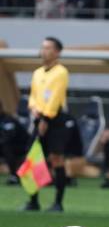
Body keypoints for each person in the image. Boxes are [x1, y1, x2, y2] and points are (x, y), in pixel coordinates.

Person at [22, 36, 71, 212]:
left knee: (57, 158)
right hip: (38, 118)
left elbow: (56, 98)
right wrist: (34, 109)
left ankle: (58, 202)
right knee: (33, 158)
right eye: (43, 47)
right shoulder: (37, 73)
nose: (45, 51)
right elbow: (33, 96)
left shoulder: (61, 72)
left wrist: (46, 118)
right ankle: (33, 200)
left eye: (49, 48)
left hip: (55, 120)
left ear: (57, 52)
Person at [0, 100, 29, 185]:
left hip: (21, 146)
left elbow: (9, 137)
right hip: (6, 146)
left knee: (6, 147)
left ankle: (14, 176)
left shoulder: (8, 119)